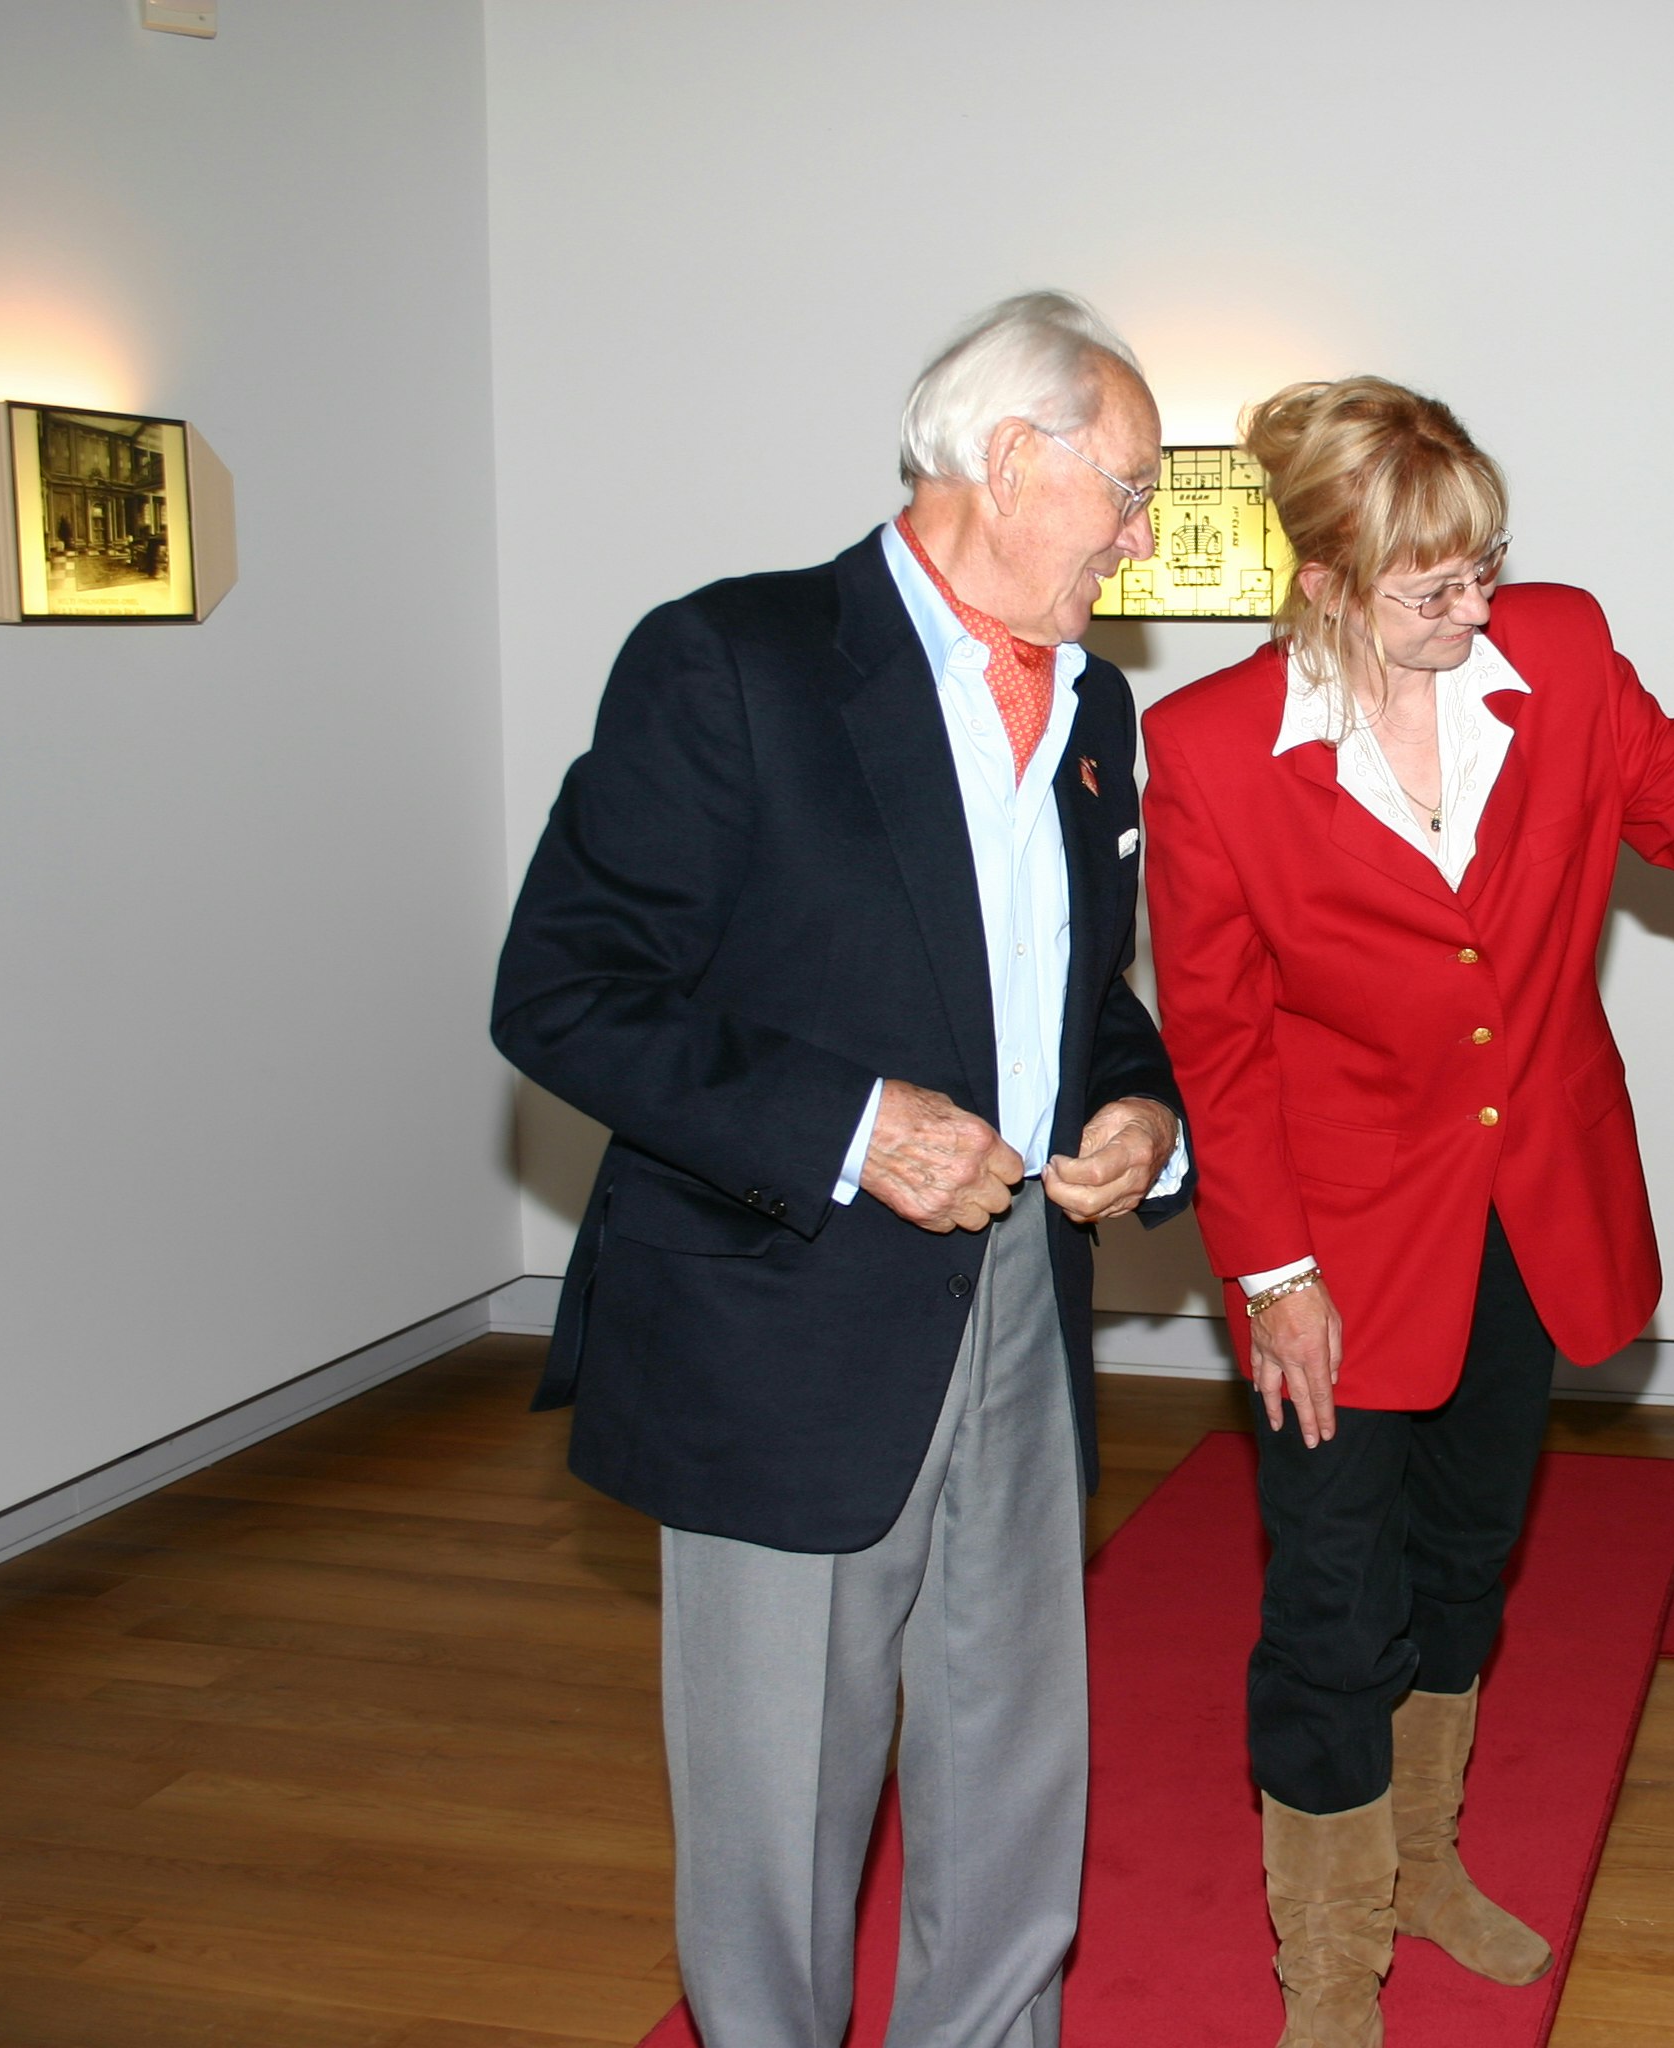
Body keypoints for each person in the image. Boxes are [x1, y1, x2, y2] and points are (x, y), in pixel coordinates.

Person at [491, 290, 1189, 2048]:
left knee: (1016, 1746)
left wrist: (1144, 1110)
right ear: (1011, 458)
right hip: (780, 1316)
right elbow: (562, 990)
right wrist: (850, 1125)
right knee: (778, 1805)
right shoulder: (733, 660)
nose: (1140, 533)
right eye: (1129, 486)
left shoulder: (1094, 702)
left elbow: (1071, 988)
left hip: (1022, 1286)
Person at [1139, 377, 1674, 2046]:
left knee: (1466, 1564)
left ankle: (1425, 1861)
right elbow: (1221, 1046)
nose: (1479, 604)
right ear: (1324, 582)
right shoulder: (1209, 758)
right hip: (1337, 1248)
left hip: (1534, 1214)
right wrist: (1270, 1277)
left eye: (1486, 564)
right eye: (1432, 586)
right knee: (1331, 1610)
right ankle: (1328, 1972)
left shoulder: (1559, 649)